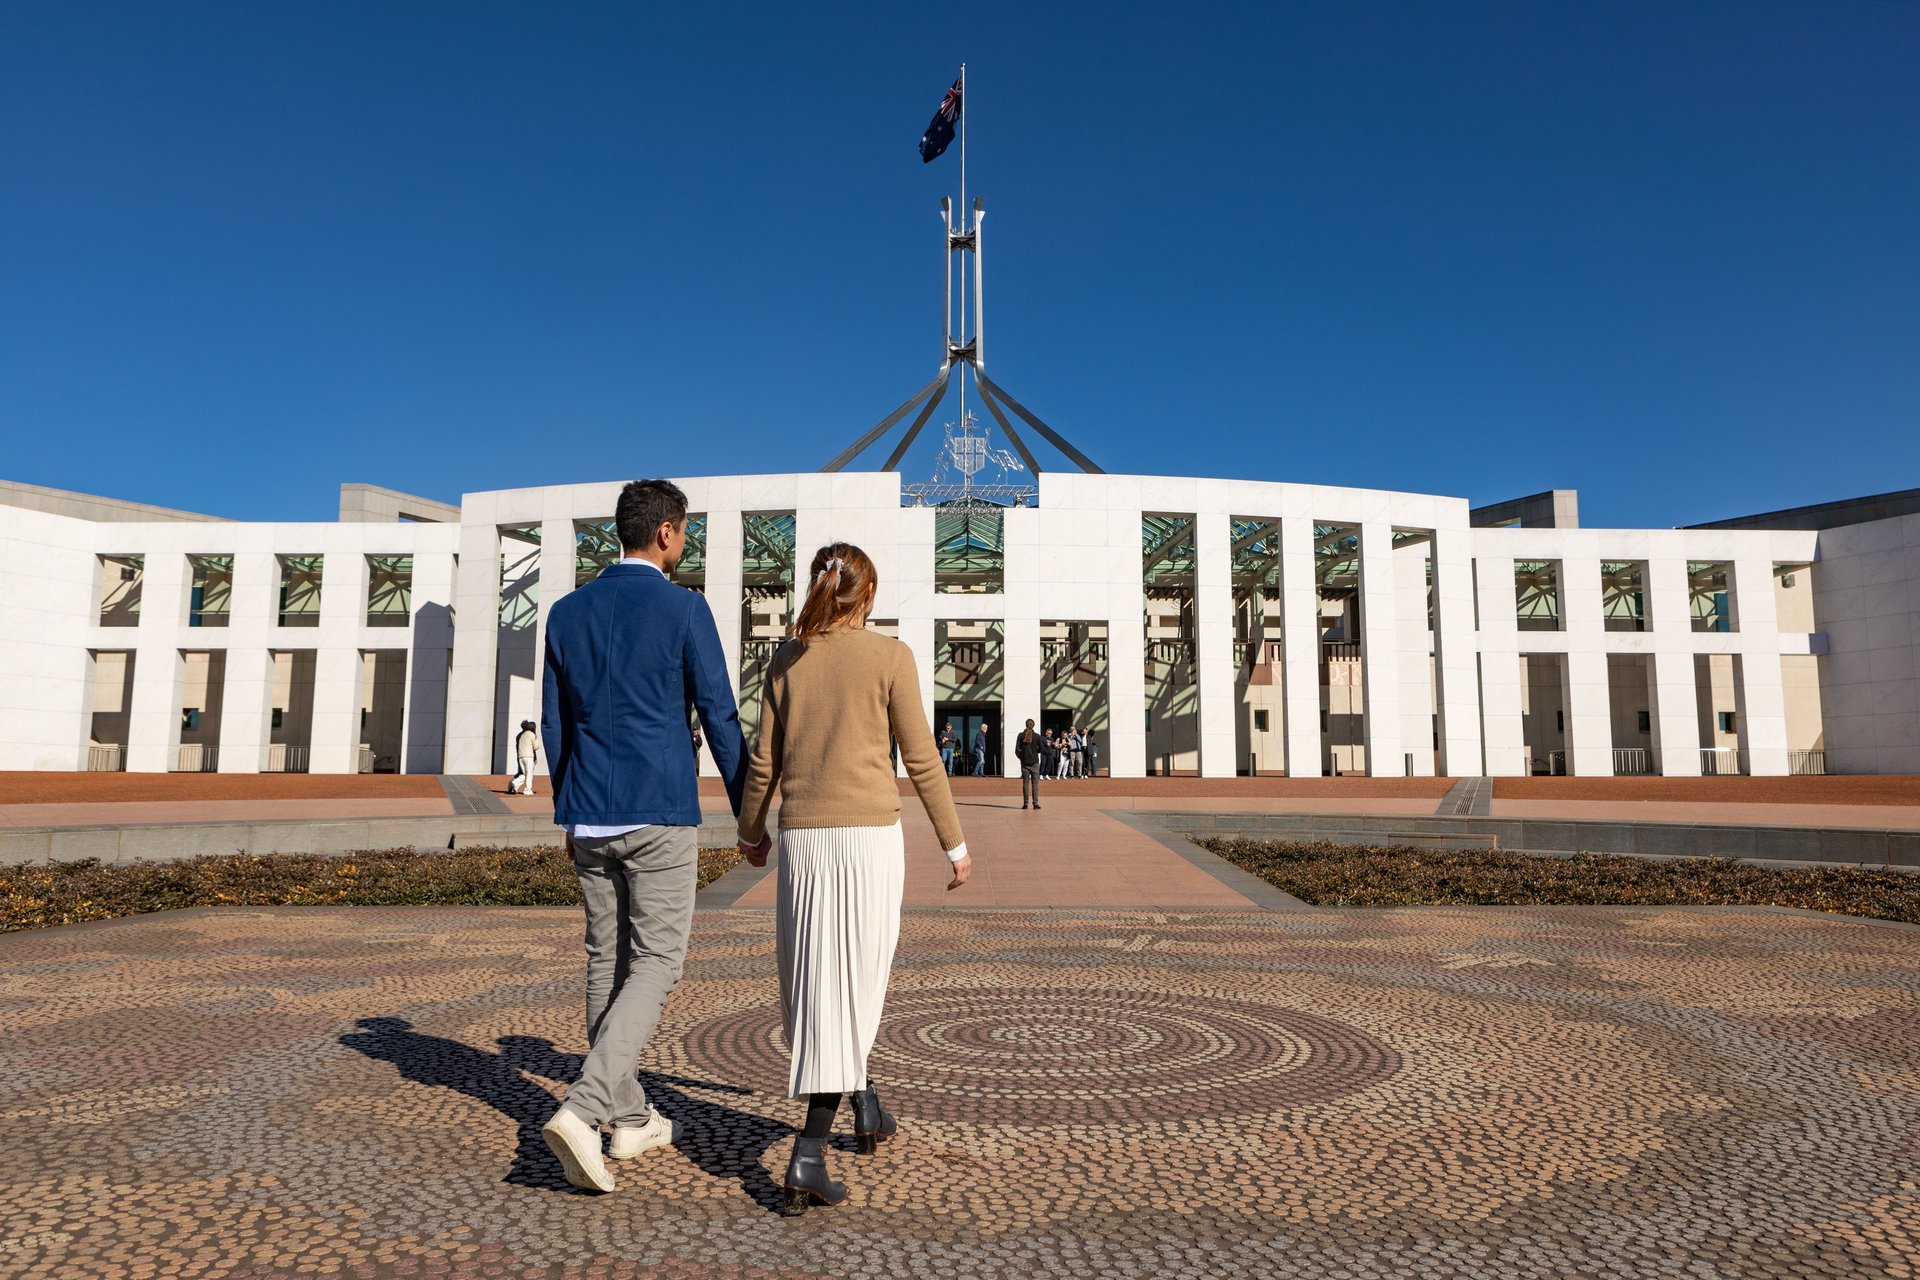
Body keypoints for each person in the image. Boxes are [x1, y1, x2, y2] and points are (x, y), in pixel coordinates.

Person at [736, 542, 970, 1217]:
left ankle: (864, 1104)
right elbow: (921, 756)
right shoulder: (890, 657)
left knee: (819, 982)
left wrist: (752, 834)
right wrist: (954, 841)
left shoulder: (787, 658)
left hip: (804, 841)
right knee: (856, 981)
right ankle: (808, 1153)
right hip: (870, 841)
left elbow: (763, 763)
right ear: (866, 596)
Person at [536, 479, 750, 1195]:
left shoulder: (566, 615)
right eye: (684, 533)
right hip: (658, 810)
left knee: (606, 962)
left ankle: (631, 1117)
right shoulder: (685, 609)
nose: (683, 544)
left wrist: (568, 811)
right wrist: (750, 811)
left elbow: (557, 723)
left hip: (591, 810)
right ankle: (586, 1108)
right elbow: (719, 714)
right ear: (665, 533)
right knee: (657, 964)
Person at [1015, 718, 1043, 811]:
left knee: (1025, 784)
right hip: (1035, 763)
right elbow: (1042, 749)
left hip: (1025, 763)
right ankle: (1035, 804)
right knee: (1035, 784)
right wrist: (1035, 751)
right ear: (1033, 725)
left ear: (1025, 725)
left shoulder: (1020, 735)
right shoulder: (1037, 736)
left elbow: (1016, 750)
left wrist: (1022, 758)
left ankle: (1025, 804)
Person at [509, 719, 539, 795]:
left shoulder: (520, 735)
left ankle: (514, 784)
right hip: (529, 756)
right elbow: (536, 746)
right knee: (529, 774)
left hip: (520, 756)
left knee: (524, 774)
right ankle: (527, 790)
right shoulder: (531, 734)